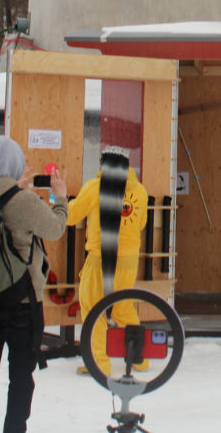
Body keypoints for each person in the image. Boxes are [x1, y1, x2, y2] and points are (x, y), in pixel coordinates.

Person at [0, 136, 68, 433]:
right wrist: (59, 198)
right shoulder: (23, 201)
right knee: (21, 371)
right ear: (15, 165)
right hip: (22, 301)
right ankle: (15, 427)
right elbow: (55, 228)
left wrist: (11, 190)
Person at [68, 146, 149, 375]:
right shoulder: (140, 192)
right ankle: (139, 357)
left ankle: (99, 362)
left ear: (103, 165)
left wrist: (58, 196)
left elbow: (72, 216)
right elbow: (141, 223)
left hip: (99, 260)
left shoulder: (94, 188)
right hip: (129, 261)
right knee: (123, 308)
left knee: (93, 308)